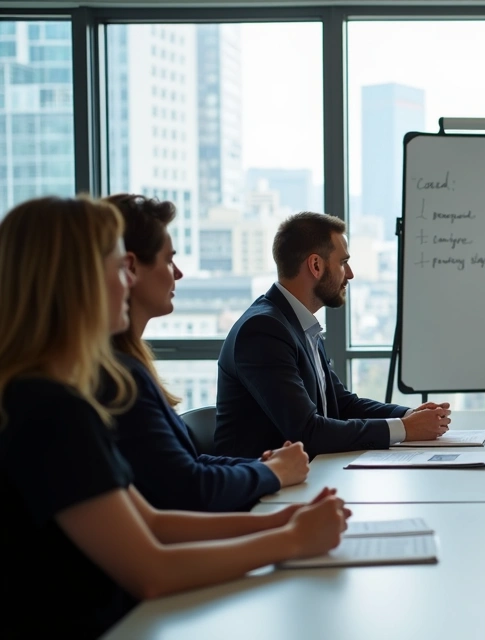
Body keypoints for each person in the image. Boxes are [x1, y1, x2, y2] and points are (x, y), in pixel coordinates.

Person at [0, 196, 348, 637]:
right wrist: (292, 540)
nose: (128, 278)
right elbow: (152, 570)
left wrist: (281, 520)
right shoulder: (52, 410)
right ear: (77, 281)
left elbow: (152, 521)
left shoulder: (43, 396)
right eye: (119, 264)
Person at [104, 194, 309, 512]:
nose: (179, 273)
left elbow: (186, 465)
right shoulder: (117, 378)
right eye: (169, 259)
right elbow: (186, 487)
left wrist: (263, 466)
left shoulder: (127, 366)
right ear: (131, 268)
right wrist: (272, 472)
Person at [214, 212, 450, 458]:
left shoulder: (296, 323)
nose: (349, 274)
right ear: (316, 265)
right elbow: (306, 432)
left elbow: (342, 404)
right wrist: (404, 429)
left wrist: (407, 415)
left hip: (306, 476)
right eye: (343, 262)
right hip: (266, 491)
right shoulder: (263, 330)